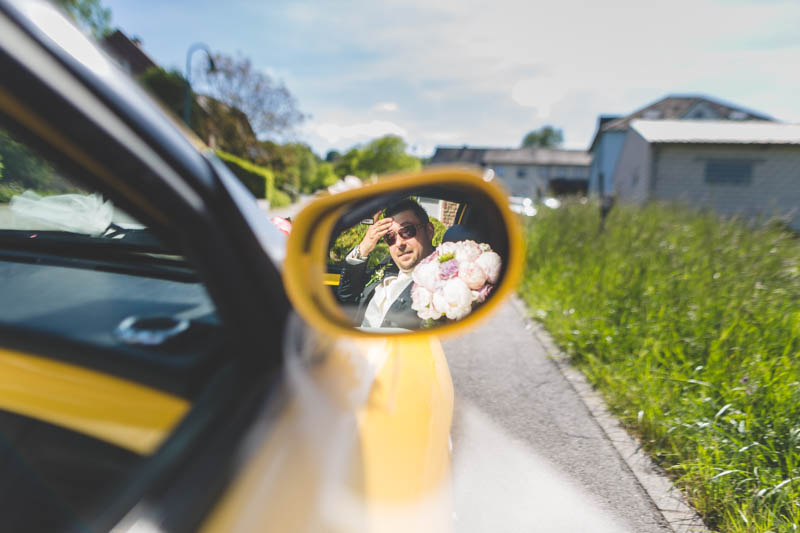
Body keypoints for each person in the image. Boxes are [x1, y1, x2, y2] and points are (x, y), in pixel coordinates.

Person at [337, 198, 435, 329]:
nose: (399, 243)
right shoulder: (388, 263)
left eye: (407, 231)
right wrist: (363, 248)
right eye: (390, 237)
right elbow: (347, 295)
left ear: (429, 231)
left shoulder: (443, 279)